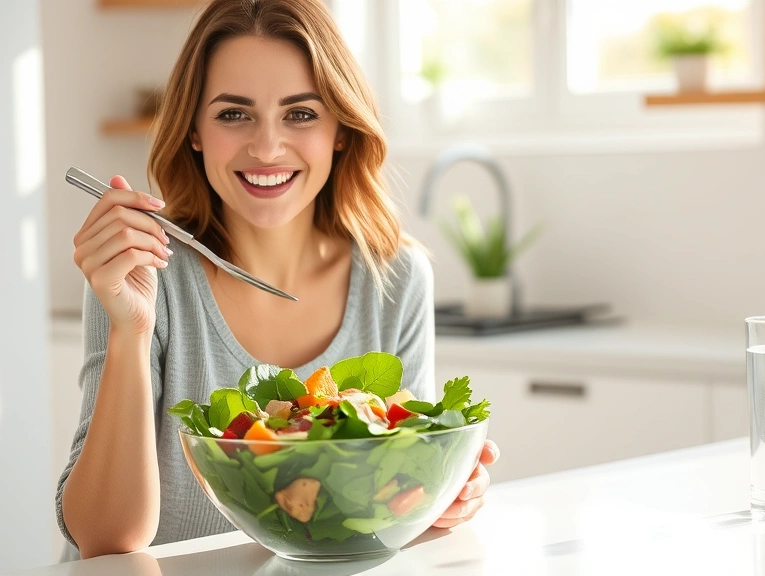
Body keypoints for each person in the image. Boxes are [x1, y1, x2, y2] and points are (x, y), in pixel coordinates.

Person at [56, 0, 498, 560]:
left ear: (341, 129)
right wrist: (131, 328)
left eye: (301, 114)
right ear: (193, 130)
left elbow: (391, 500)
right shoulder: (145, 272)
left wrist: (443, 494)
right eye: (233, 114)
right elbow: (107, 541)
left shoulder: (394, 278)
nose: (266, 147)